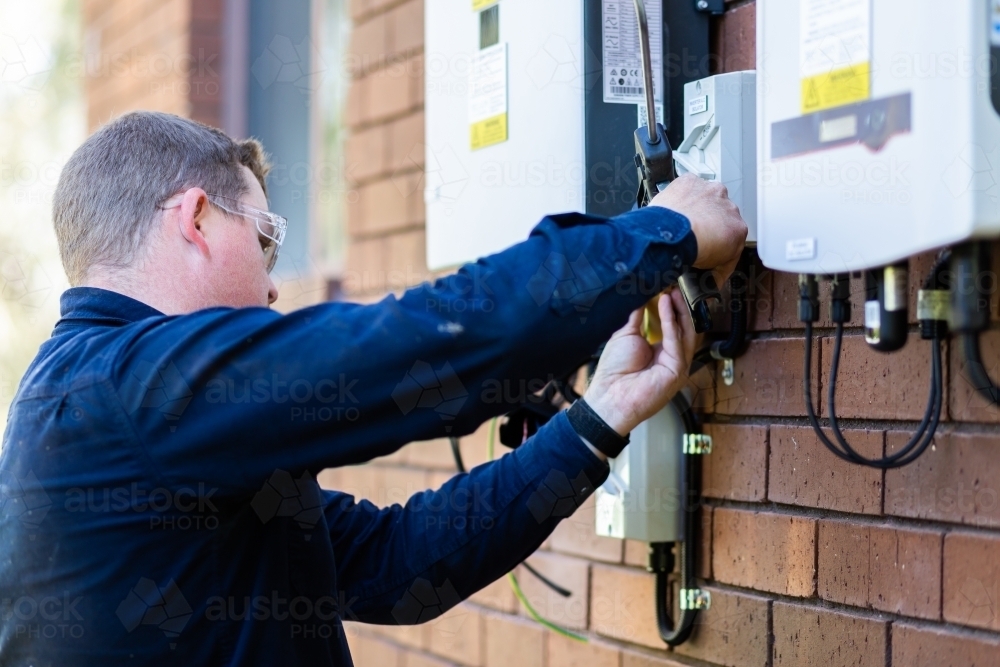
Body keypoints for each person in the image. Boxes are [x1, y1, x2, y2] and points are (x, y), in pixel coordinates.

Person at [0, 111, 746, 666]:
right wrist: (666, 230)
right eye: (265, 238)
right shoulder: (131, 393)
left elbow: (395, 564)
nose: (269, 285)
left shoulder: (94, 402)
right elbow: (423, 340)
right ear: (196, 219)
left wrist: (599, 417)